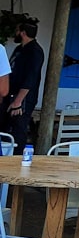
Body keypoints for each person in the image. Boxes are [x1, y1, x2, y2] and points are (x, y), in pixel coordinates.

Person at [1, 21, 44, 152]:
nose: (16, 33)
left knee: (18, 128)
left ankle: (17, 159)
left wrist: (18, 101)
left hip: (22, 99)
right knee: (4, 126)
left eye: (17, 30)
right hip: (10, 94)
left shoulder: (35, 51)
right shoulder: (20, 49)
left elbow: (31, 78)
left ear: (23, 33)